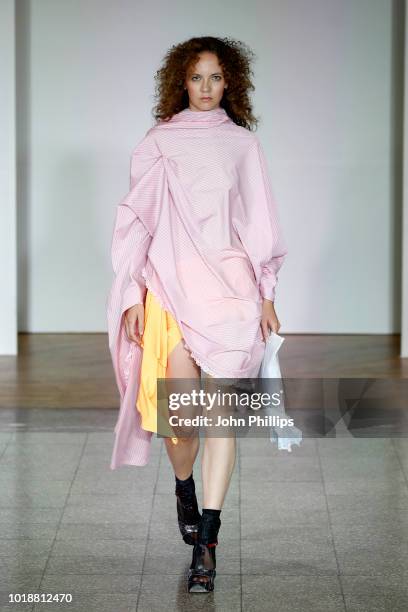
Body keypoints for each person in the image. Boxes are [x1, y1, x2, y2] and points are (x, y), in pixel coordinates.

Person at [106, 35, 288, 593]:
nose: (205, 88)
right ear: (180, 83)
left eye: (214, 77)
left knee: (220, 421)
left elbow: (259, 222)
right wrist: (133, 297)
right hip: (170, 290)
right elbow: (137, 221)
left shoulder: (242, 145)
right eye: (195, 78)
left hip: (231, 291)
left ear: (229, 81)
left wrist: (266, 292)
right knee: (180, 424)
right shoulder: (159, 141)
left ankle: (206, 543)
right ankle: (183, 486)